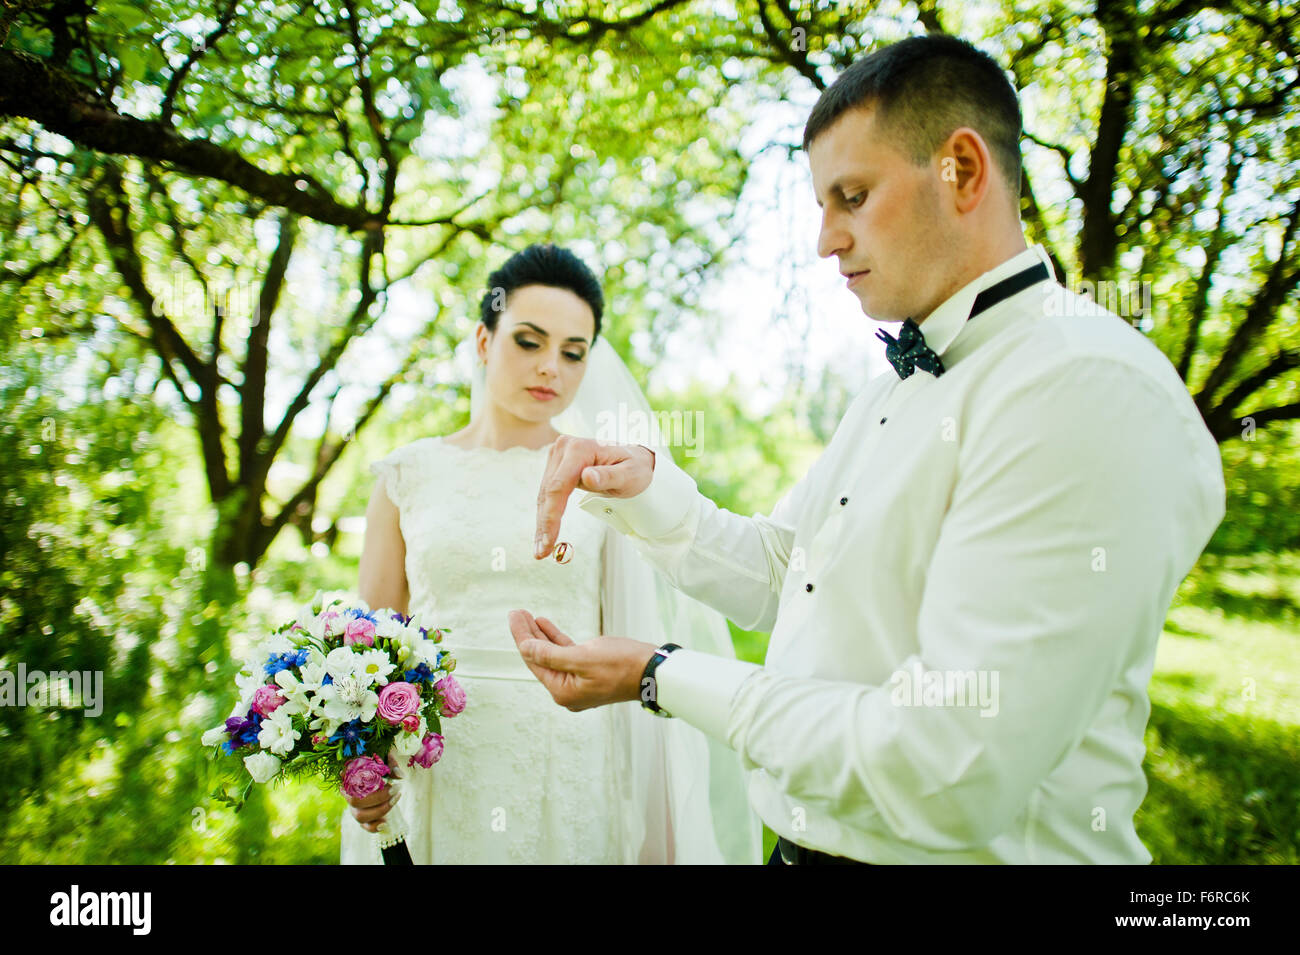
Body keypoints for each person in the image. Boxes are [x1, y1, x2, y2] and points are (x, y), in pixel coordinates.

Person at [507, 35, 1226, 864]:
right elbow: (796, 577)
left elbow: (946, 767)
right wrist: (646, 491)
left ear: (961, 168)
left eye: (851, 196)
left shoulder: (1089, 389)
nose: (825, 241)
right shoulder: (891, 381)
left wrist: (661, 673)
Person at [340, 243, 759, 864]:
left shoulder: (600, 477)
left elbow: (631, 633)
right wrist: (364, 760)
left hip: (566, 755)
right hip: (434, 756)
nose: (550, 369)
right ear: (484, 341)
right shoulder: (406, 474)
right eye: (529, 342)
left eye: (573, 353)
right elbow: (368, 645)